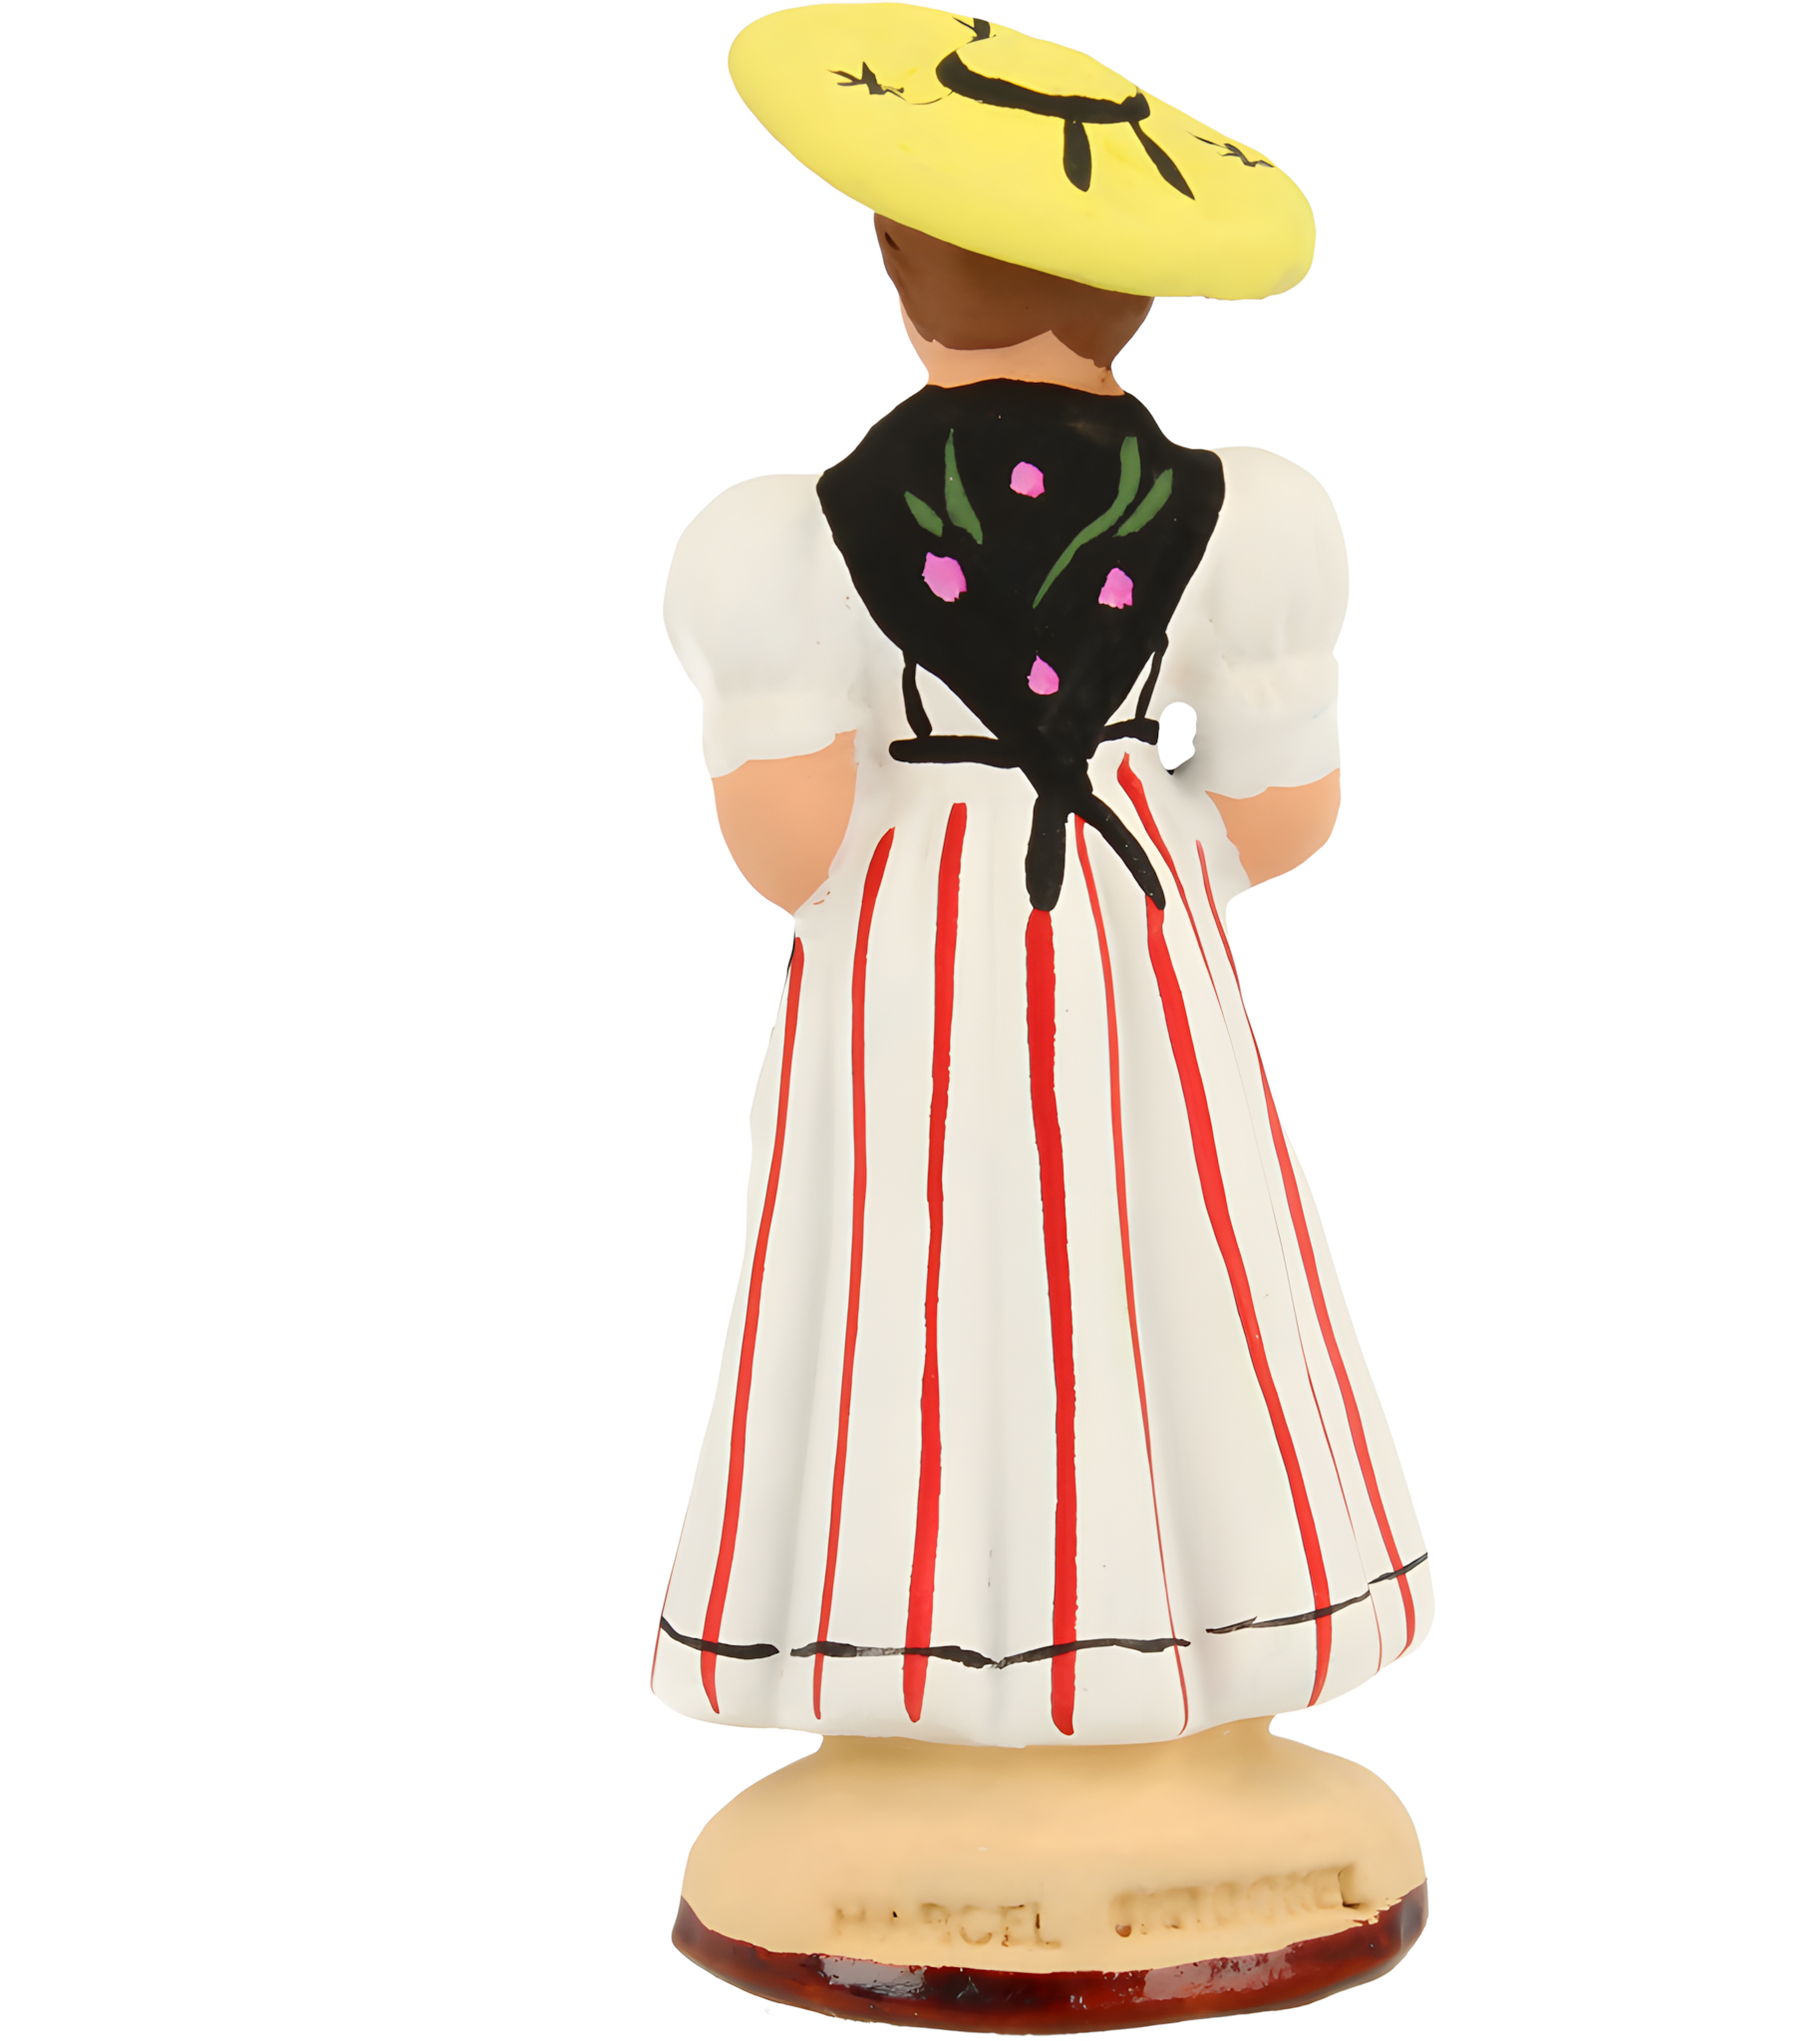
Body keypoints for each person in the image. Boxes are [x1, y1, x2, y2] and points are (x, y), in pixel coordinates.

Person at [657, 9, 1431, 2017]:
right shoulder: (1249, 519)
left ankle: (918, 1661)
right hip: (1135, 925)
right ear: (1135, 299)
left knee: (908, 1286)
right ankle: (1189, 1652)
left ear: (896, 270)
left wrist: (922, 857)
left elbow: (787, 842)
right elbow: (1290, 809)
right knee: (1180, 1264)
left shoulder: (785, 538)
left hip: (909, 945)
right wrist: (1151, 875)